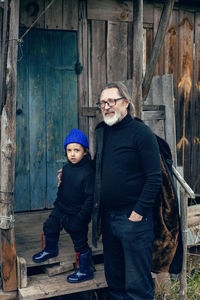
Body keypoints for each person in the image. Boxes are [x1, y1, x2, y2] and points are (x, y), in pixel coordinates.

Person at [92, 81, 163, 300]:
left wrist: (138, 212)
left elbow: (154, 177)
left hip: (133, 220)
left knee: (137, 287)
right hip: (109, 217)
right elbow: (98, 167)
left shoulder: (141, 133)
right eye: (102, 102)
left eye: (111, 101)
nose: (106, 106)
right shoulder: (102, 131)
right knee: (115, 281)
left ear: (126, 103)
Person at [32, 129, 94, 283]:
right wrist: (57, 207)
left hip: (77, 213)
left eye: (77, 150)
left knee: (79, 242)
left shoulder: (88, 172)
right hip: (62, 208)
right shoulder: (66, 169)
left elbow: (90, 199)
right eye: (69, 150)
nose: (72, 154)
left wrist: (80, 218)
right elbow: (62, 189)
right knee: (50, 226)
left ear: (85, 151)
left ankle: (86, 270)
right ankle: (51, 249)